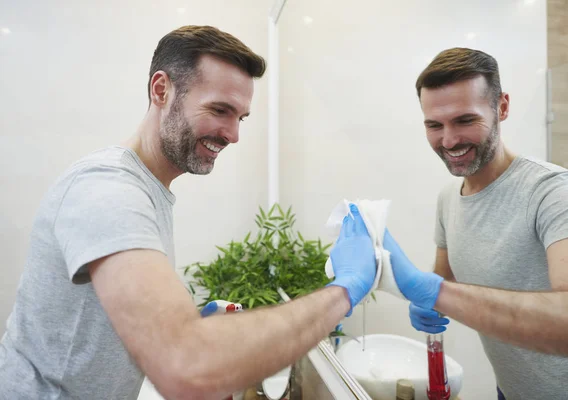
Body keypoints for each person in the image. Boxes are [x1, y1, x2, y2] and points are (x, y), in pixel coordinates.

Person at [0, 25, 377, 400]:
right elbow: (186, 367)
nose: (233, 134)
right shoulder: (107, 190)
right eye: (219, 110)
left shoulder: (148, 189)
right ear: (161, 90)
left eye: (240, 117)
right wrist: (344, 290)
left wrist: (184, 324)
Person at [377, 48, 568, 400]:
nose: (448, 141)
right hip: (510, 390)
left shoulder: (554, 192)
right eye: (434, 125)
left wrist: (436, 292)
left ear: (502, 107)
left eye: (465, 120)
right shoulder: (449, 198)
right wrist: (410, 282)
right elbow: (443, 278)